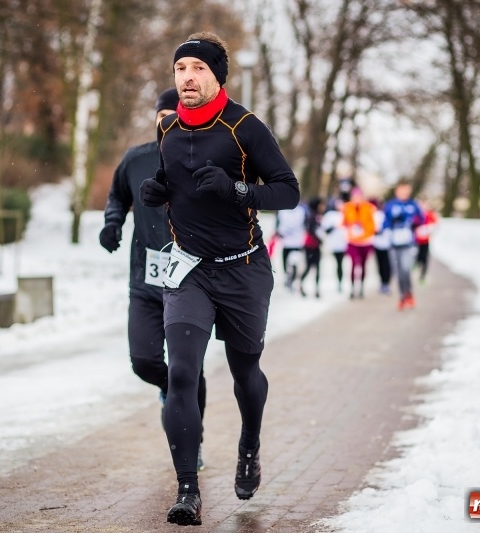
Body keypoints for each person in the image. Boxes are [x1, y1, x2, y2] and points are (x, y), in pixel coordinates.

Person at [138, 32, 300, 526]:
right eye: (180, 69)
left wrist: (237, 190)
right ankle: (187, 489)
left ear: (217, 76)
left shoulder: (245, 127)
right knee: (182, 372)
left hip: (243, 268)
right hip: (189, 271)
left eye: (198, 69)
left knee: (244, 370)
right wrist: (159, 190)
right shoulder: (168, 130)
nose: (187, 78)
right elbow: (176, 183)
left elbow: (288, 191)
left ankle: (249, 445)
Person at [99, 89, 207, 471]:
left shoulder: (204, 158)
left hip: (192, 284)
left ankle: (192, 441)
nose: (167, 124)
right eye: (162, 117)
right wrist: (112, 224)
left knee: (187, 369)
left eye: (174, 116)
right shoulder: (137, 159)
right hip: (146, 282)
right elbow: (117, 197)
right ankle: (171, 388)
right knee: (144, 361)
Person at [383, 179, 424, 310]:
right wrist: (389, 227)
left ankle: (409, 293)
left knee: (406, 269)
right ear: (397, 190)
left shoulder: (413, 205)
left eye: (406, 190)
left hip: (408, 243)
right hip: (394, 244)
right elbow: (385, 222)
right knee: (398, 272)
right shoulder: (390, 205)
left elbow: (421, 219)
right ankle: (402, 296)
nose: (404, 192)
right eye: (402, 190)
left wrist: (413, 222)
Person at [342, 187, 376, 299]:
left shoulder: (369, 207)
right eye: (355, 197)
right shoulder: (347, 207)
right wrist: (350, 228)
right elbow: (344, 222)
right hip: (352, 241)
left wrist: (364, 229)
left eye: (359, 197)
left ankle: (361, 287)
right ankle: (352, 288)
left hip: (365, 241)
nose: (357, 199)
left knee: (363, 264)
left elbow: (372, 225)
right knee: (353, 263)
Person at [275, 203, 308, 292]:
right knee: (286, 263)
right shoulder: (282, 210)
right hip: (286, 242)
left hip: (297, 242)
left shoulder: (301, 211)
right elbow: (277, 225)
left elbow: (305, 224)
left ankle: (291, 280)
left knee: (295, 263)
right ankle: (288, 279)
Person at [319, 198, 349, 292]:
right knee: (336, 263)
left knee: (340, 264)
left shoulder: (346, 214)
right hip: (334, 244)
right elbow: (325, 229)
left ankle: (340, 282)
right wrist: (334, 227)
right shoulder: (330, 215)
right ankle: (336, 281)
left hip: (343, 244)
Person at [299, 197, 325, 298]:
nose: (323, 207)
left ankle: (316, 289)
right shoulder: (312, 216)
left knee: (317, 267)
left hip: (315, 245)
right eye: (321, 205)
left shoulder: (317, 216)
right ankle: (301, 285)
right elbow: (310, 230)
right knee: (309, 267)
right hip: (310, 245)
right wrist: (319, 239)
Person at [414, 199, 438, 284]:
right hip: (415, 241)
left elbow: (435, 225)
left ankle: (423, 276)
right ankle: (416, 263)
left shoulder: (430, 214)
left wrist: (427, 229)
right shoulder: (416, 214)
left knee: (425, 257)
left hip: (426, 241)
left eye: (424, 205)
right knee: (417, 255)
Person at [372, 201, 392, 294]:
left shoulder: (386, 215)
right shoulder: (374, 215)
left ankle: (386, 283)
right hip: (377, 244)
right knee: (381, 264)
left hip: (386, 244)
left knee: (386, 264)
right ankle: (383, 283)